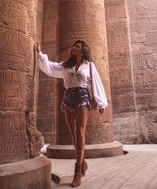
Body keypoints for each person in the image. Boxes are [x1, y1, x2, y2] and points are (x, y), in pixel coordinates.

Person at [35, 40, 108, 187]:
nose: (74, 47)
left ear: (83, 50)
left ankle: (77, 171)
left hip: (83, 96)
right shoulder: (66, 65)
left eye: (77, 46)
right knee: (73, 133)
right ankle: (83, 162)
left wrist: (101, 102)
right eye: (73, 45)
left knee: (79, 131)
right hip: (68, 97)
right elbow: (50, 67)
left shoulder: (89, 65)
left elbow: (96, 82)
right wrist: (39, 54)